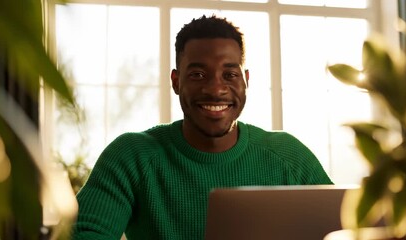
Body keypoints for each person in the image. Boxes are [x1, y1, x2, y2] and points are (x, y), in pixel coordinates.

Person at [71, 15, 333, 240]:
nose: (216, 89)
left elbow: (349, 228)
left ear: (246, 81)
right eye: (198, 75)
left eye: (230, 75)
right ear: (176, 81)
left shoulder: (289, 157)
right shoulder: (132, 156)